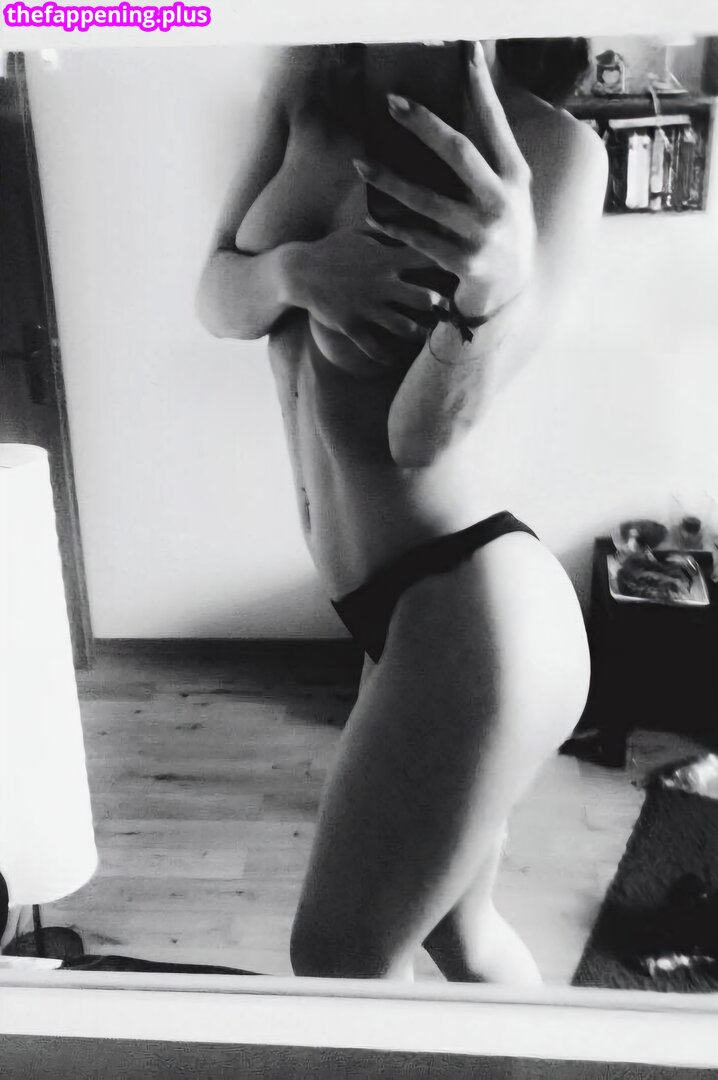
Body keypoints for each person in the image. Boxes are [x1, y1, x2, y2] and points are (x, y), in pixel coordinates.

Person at [196, 39, 608, 983]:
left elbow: (419, 438)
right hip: (394, 614)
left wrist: (486, 300)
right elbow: (216, 298)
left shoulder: (554, 150)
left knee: (339, 960)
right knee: (459, 934)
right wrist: (295, 273)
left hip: (475, 613)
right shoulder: (304, 80)